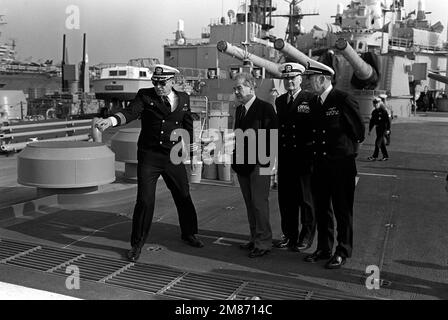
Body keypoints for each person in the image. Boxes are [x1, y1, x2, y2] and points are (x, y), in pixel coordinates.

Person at [95, 64, 204, 262]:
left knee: (183, 194)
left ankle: (189, 233)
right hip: (150, 156)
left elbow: (188, 128)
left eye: (162, 83)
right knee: (145, 201)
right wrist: (111, 120)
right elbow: (130, 112)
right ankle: (137, 244)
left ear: (172, 81)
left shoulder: (184, 99)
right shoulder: (144, 95)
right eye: (155, 82)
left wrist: (192, 154)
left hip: (173, 156)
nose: (158, 86)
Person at [303, 61, 365, 269]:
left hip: (341, 166)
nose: (308, 83)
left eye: (310, 79)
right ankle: (323, 248)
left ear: (322, 79)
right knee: (322, 209)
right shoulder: (314, 103)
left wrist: (342, 149)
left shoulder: (342, 99)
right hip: (320, 166)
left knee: (342, 210)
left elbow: (358, 132)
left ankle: (343, 250)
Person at [231, 72, 278, 258]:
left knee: (259, 203)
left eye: (239, 88)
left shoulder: (265, 108)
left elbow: (272, 136)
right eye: (235, 88)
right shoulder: (240, 110)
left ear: (251, 86)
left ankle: (264, 242)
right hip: (243, 163)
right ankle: (254, 238)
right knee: (250, 204)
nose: (236, 92)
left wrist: (268, 164)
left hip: (260, 163)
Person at [273, 63, 316, 252]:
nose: (289, 81)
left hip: (304, 159)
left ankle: (306, 237)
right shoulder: (280, 101)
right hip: (286, 158)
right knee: (286, 199)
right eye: (286, 78)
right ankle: (289, 235)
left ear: (301, 79)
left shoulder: (310, 99)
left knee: (306, 200)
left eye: (293, 78)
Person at [367, 97, 391, 161]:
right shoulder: (374, 112)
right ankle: (385, 156)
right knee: (382, 143)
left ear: (380, 103)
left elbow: (388, 121)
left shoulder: (384, 111)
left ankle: (374, 156)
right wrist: (370, 130)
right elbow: (372, 121)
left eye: (377, 103)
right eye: (374, 103)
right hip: (378, 129)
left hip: (384, 129)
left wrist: (388, 129)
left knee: (377, 142)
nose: (375, 105)